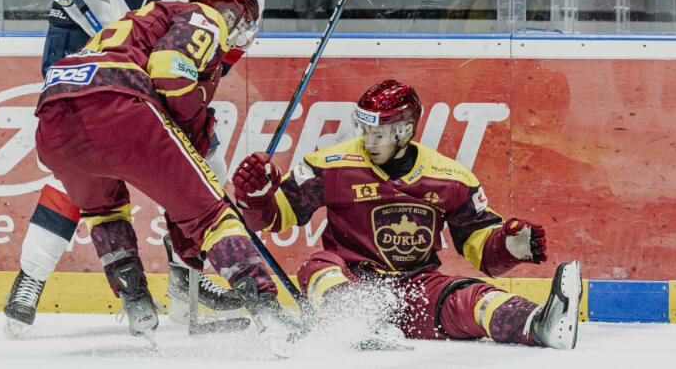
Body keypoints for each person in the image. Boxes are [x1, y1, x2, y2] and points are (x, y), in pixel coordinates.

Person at [4, 0, 297, 335]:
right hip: (87, 32)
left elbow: (211, 67)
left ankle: (186, 286)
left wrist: (193, 126)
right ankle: (31, 278)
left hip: (146, 66)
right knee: (94, 161)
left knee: (202, 164)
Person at [31, 0, 293, 352]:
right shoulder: (205, 16)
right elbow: (171, 74)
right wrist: (195, 123)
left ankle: (136, 301)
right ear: (232, 14)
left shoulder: (145, 17)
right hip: (117, 106)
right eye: (241, 21)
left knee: (105, 209)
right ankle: (267, 309)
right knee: (212, 215)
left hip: (53, 118)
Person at [231, 79, 582, 350]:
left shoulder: (451, 178)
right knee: (318, 267)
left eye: (379, 133)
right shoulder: (330, 165)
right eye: (365, 130)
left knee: (472, 298)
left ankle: (539, 324)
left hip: (416, 289)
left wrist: (508, 246)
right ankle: (355, 322)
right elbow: (278, 218)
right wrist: (257, 198)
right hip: (352, 280)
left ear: (403, 131)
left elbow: (481, 249)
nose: (369, 141)